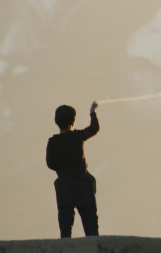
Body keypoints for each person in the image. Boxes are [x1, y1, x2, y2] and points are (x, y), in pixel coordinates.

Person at [46, 101, 100, 238]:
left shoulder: (52, 142)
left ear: (55, 121)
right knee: (91, 227)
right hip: (83, 185)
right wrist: (93, 112)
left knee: (65, 227)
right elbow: (94, 128)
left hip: (64, 187)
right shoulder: (78, 136)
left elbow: (50, 164)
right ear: (73, 121)